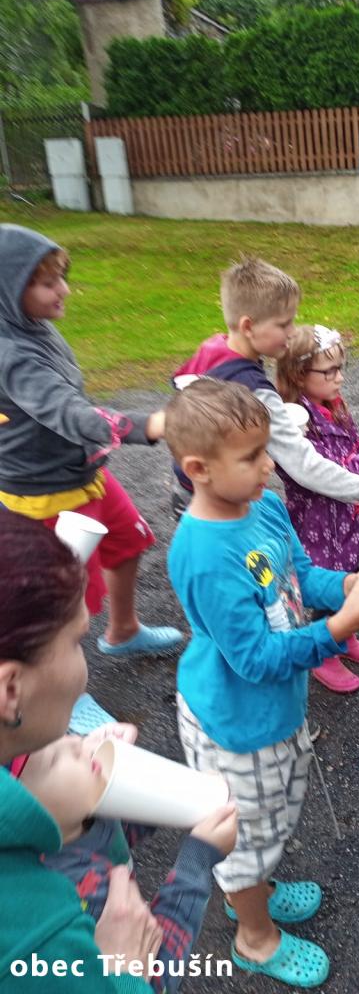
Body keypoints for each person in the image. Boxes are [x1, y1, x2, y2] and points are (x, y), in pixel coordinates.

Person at [164, 378, 359, 988]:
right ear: (198, 469)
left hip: (272, 709)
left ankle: (256, 889)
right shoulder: (203, 554)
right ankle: (254, 935)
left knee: (269, 817)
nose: (269, 466)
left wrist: (345, 587)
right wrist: (339, 628)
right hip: (235, 722)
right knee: (244, 837)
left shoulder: (265, 507)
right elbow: (253, 660)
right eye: (251, 457)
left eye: (268, 450)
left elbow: (299, 574)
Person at [0, 225, 181, 733]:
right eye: (46, 283)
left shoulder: (35, 326)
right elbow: (67, 411)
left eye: (62, 277)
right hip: (44, 495)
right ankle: (61, 692)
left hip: (83, 472)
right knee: (60, 600)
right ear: (8, 289)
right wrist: (148, 424)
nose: (64, 290)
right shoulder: (11, 353)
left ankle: (122, 631)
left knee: (128, 541)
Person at [0, 512, 163, 992]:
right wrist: (123, 971)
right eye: (76, 642)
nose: (83, 668)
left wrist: (83, 780)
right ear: (10, 689)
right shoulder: (42, 936)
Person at [170, 255, 359, 529]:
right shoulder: (255, 390)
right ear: (248, 326)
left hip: (191, 486)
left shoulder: (215, 348)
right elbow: (304, 465)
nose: (292, 333)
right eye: (284, 324)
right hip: (219, 504)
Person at [16, 730, 237, 994]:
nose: (77, 742)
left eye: (65, 734)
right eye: (53, 759)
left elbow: (116, 837)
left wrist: (140, 785)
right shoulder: (79, 896)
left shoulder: (75, 815)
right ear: (24, 814)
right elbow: (157, 973)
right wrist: (198, 859)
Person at [275, 323, 359, 694]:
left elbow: (351, 448)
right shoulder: (295, 422)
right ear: (299, 375)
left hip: (349, 519)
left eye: (340, 368)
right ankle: (324, 654)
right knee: (329, 588)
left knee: (353, 572)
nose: (339, 378)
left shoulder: (333, 406)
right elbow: (330, 472)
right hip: (321, 525)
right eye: (329, 371)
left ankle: (345, 635)